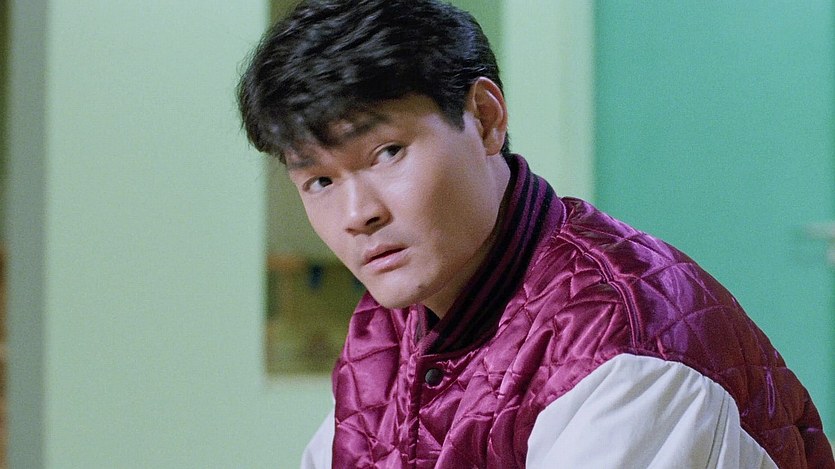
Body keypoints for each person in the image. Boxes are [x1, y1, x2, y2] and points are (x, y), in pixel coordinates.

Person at [237, 0, 835, 467]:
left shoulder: (625, 351)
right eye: (319, 181)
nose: (357, 213)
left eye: (387, 152)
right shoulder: (392, 324)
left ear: (486, 119)